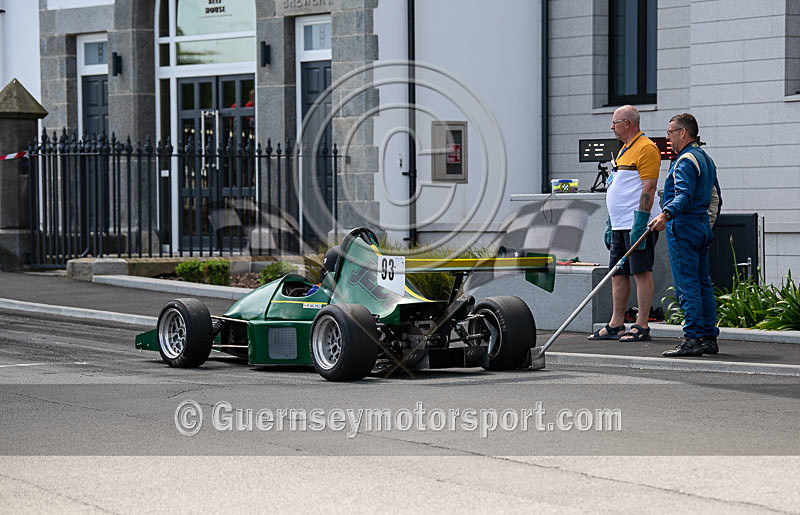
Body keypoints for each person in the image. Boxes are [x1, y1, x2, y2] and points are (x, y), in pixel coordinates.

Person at [588, 105, 662, 342]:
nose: (612, 127)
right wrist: (611, 222)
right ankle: (616, 323)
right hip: (620, 224)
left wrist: (641, 221)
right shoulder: (624, 150)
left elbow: (648, 186)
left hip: (636, 224)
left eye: (615, 122)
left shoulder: (646, 148)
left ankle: (641, 325)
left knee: (641, 271)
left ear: (628, 124)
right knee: (618, 273)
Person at [649, 113, 720, 357]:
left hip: (683, 225)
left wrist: (665, 214)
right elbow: (715, 197)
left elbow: (683, 195)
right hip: (700, 225)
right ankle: (708, 337)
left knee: (686, 284)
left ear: (683, 133)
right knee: (702, 282)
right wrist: (706, 224)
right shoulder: (705, 159)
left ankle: (691, 339)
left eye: (670, 132)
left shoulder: (685, 161)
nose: (667, 137)